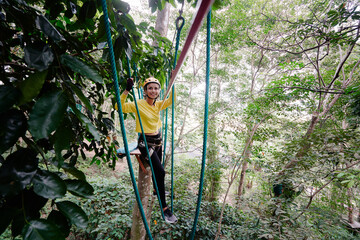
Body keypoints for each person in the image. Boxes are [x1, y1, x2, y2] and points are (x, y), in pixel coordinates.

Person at [120, 77, 177, 224]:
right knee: (160, 171)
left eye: (156, 88)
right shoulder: (138, 104)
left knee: (158, 170)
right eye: (150, 88)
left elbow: (171, 100)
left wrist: (172, 83)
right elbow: (119, 107)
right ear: (145, 91)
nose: (153, 91)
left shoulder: (158, 105)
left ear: (159, 91)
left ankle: (156, 190)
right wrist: (126, 90)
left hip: (158, 142)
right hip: (145, 143)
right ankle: (164, 208)